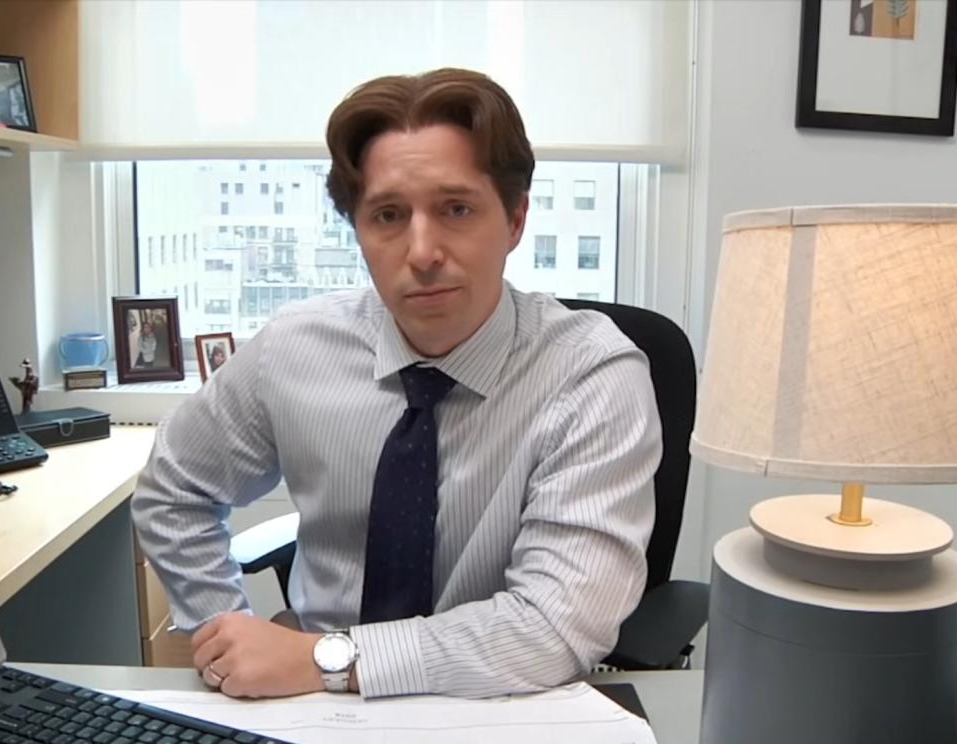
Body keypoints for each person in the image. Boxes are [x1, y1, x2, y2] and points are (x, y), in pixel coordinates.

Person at [132, 68, 661, 701]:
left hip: (504, 705)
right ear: (357, 230)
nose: (423, 251)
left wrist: (328, 659)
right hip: (311, 707)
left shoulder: (592, 373)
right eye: (387, 215)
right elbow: (173, 490)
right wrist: (225, 629)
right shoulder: (294, 348)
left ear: (516, 219)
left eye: (456, 209)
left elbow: (554, 624)